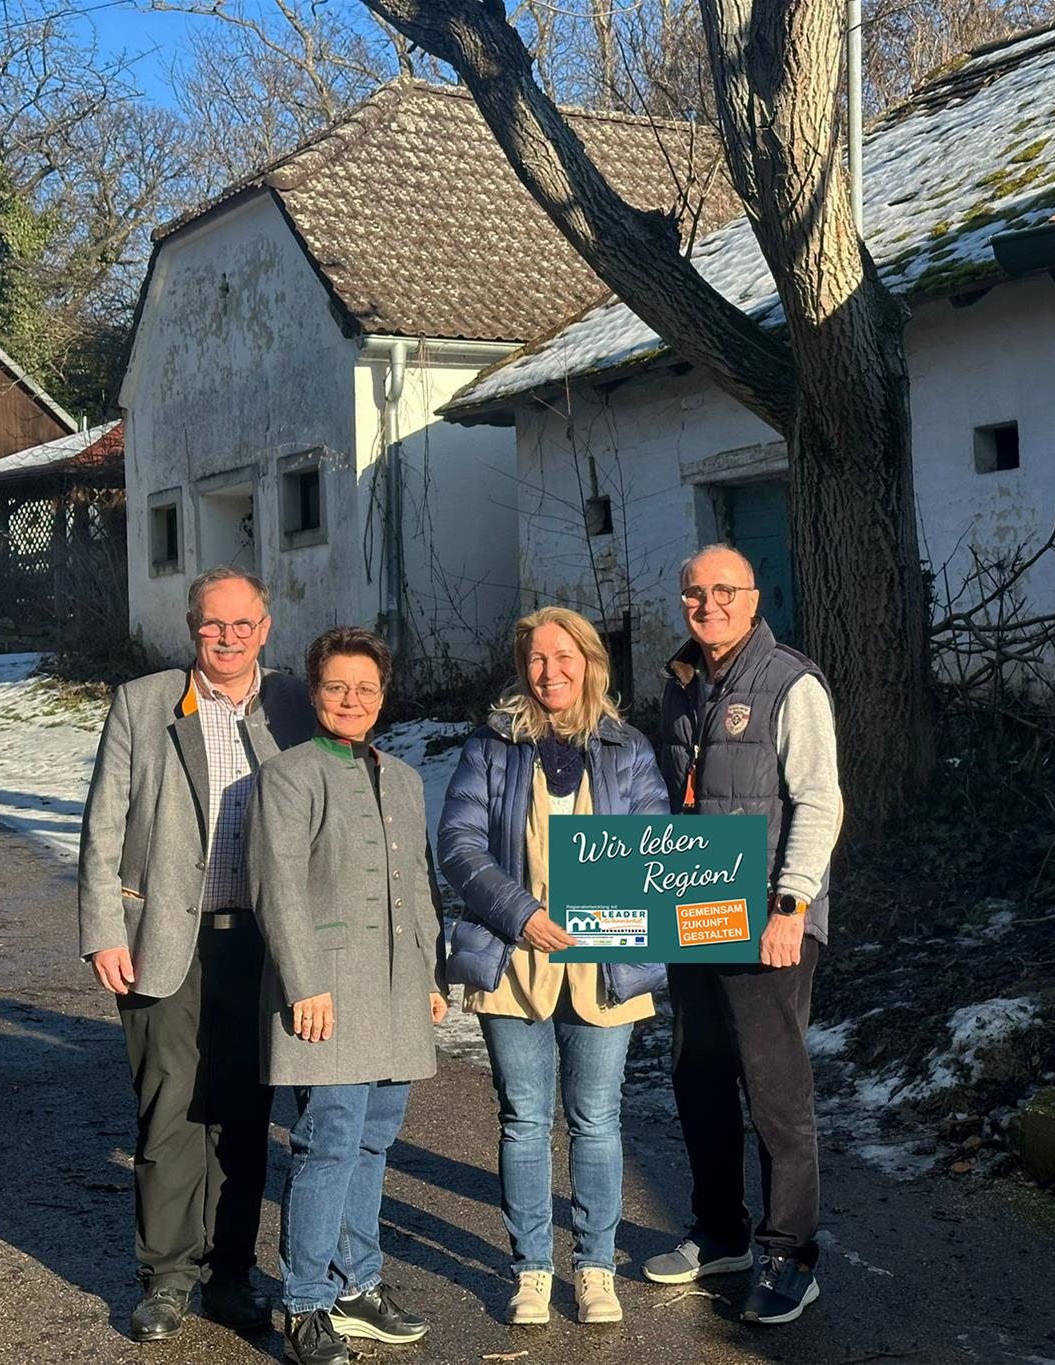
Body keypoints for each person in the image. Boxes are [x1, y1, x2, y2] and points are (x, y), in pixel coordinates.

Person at [78, 566, 312, 1341]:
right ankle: (167, 1278)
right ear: (192, 626)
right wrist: (104, 928)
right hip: (161, 942)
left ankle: (233, 1274)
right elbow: (103, 824)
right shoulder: (143, 703)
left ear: (265, 629)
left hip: (260, 941)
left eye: (243, 626)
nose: (228, 639)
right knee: (170, 1110)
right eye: (213, 625)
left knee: (246, 1114)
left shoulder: (293, 705)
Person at [438, 606, 669, 1328]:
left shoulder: (627, 747)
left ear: (591, 662)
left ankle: (596, 1266)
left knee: (596, 1118)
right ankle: (532, 1268)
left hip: (607, 965)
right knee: (524, 1118)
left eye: (564, 657)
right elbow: (458, 843)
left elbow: (654, 848)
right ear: (522, 665)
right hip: (515, 959)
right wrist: (519, 911)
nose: (550, 672)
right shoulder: (492, 744)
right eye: (537, 658)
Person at [640, 544, 843, 1326]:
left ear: (754, 598)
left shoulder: (791, 681)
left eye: (724, 590)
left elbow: (819, 801)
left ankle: (790, 1254)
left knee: (775, 1094)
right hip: (694, 908)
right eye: (694, 591)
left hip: (768, 922)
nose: (708, 604)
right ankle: (720, 1232)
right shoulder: (682, 681)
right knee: (698, 1077)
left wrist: (791, 905)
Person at [244, 627, 447, 1364]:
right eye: (337, 687)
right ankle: (304, 1303)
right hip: (326, 993)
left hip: (395, 993)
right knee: (327, 1143)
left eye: (366, 688)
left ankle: (358, 1283)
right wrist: (305, 983)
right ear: (314, 690)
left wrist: (429, 975)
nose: (351, 700)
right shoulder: (289, 775)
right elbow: (277, 887)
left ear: (383, 696)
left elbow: (420, 887)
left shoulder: (404, 778)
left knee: (373, 1141)